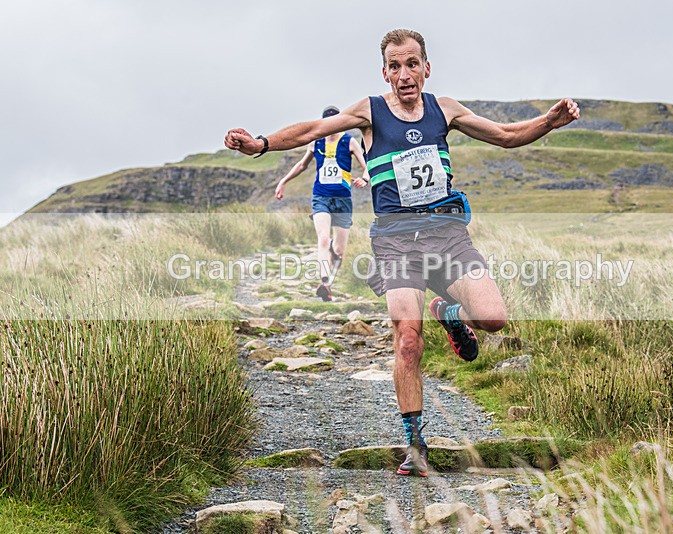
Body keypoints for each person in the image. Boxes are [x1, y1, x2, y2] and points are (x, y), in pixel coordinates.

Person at [225, 28, 580, 476]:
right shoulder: (368, 113)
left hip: (447, 234)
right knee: (407, 339)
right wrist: (259, 144)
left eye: (412, 64)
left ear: (426, 68)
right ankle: (415, 445)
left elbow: (507, 135)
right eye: (395, 66)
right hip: (394, 240)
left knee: (493, 319)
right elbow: (313, 129)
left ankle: (448, 313)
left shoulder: (444, 109)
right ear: (385, 72)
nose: (404, 74)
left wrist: (548, 122)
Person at [272, 106, 370, 301]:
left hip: (343, 199)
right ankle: (324, 282)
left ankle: (330, 269)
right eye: (328, 125)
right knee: (323, 239)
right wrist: (283, 181)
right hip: (321, 197)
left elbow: (366, 167)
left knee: (340, 250)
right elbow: (302, 165)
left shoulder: (349, 142)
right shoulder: (315, 143)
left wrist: (365, 179)